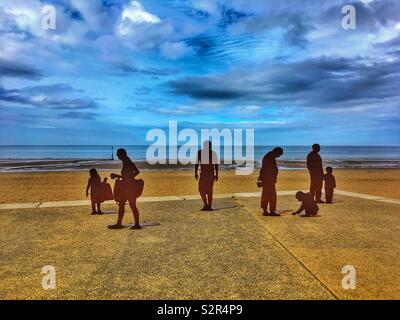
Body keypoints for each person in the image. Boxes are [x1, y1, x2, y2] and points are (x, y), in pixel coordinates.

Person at [108, 148, 142, 230]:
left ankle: (133, 224)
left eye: (118, 154)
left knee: (130, 205)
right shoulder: (127, 161)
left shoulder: (127, 162)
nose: (117, 155)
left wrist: (117, 176)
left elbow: (128, 176)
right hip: (129, 187)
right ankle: (122, 224)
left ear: (121, 154)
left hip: (128, 188)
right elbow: (137, 172)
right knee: (125, 205)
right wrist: (131, 178)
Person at [257, 147, 284, 216]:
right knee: (268, 195)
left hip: (270, 180)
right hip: (267, 180)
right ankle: (268, 211)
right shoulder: (268, 157)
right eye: (279, 155)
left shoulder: (270, 156)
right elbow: (263, 169)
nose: (279, 156)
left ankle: (269, 210)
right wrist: (260, 179)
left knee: (269, 195)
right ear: (276, 152)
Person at [195, 140, 218, 211]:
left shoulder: (213, 153)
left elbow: (216, 165)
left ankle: (209, 206)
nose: (209, 146)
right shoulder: (200, 152)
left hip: (210, 175)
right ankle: (206, 205)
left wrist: (217, 174)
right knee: (201, 190)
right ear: (205, 146)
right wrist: (195, 172)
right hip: (203, 174)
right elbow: (197, 163)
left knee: (209, 191)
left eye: (210, 145)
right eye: (208, 145)